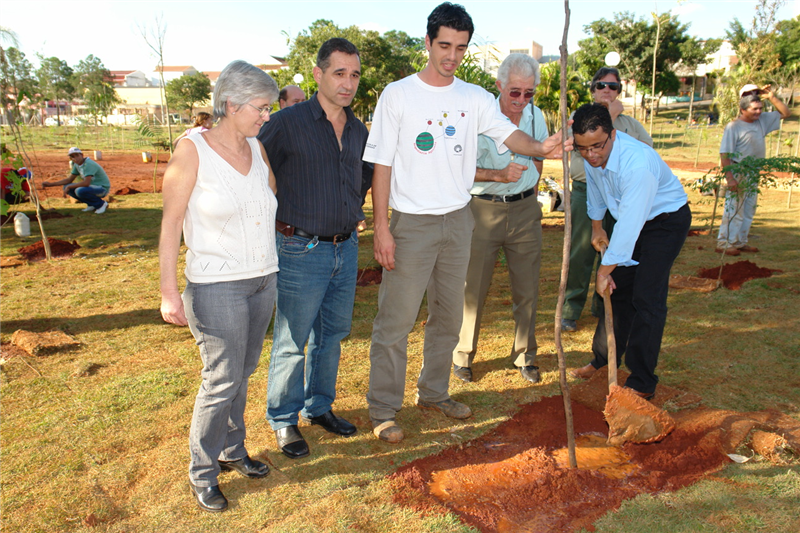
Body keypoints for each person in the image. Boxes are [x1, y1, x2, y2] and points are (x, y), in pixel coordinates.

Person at [363, 2, 568, 444]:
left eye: (460, 47)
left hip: (459, 220)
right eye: (444, 45)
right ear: (428, 42)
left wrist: (541, 147)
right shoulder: (397, 94)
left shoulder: (474, 97)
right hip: (412, 222)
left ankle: (434, 392)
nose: (451, 55)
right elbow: (381, 165)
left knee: (449, 317)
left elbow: (507, 135)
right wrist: (382, 226)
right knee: (395, 321)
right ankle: (383, 408)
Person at [159, 60, 279, 513]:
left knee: (243, 371)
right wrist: (169, 292)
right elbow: (171, 225)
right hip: (216, 286)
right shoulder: (193, 152)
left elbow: (265, 201)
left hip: (262, 278)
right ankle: (203, 472)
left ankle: (233, 449)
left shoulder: (257, 147)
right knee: (221, 377)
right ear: (230, 105)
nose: (266, 116)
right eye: (260, 108)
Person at [257, 38, 373, 459]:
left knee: (332, 336)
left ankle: (319, 407)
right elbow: (255, 164)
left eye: (354, 74)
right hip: (299, 248)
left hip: (346, 249)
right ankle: (284, 421)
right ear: (320, 74)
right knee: (292, 339)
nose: (348, 83)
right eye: (339, 73)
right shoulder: (288, 123)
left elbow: (362, 176)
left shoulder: (360, 129)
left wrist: (350, 206)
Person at [569, 103, 691, 400]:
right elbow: (596, 192)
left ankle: (641, 381)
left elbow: (631, 225)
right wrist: (597, 228)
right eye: (583, 149)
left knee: (646, 297)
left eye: (597, 146)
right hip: (630, 220)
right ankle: (602, 361)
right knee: (618, 291)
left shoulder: (637, 164)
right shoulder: (591, 153)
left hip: (663, 222)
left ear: (612, 135)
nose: (591, 154)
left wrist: (604, 269)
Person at [453, 53, 548, 385]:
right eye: (515, 93)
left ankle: (526, 355)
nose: (521, 101)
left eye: (529, 93)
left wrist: (528, 197)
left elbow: (539, 162)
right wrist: (499, 175)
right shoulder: (479, 117)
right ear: (499, 86)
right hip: (482, 210)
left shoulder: (537, 117)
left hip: (524, 211)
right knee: (473, 288)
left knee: (528, 289)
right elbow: (461, 168)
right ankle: (463, 355)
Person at [562, 67, 652, 333]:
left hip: (621, 197)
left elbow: (647, 153)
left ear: (619, 92)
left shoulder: (631, 125)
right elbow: (574, 149)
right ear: (593, 89)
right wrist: (608, 117)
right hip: (585, 191)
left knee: (615, 251)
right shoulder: (579, 119)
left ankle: (604, 306)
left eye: (613, 87)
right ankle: (570, 308)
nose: (607, 91)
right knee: (581, 252)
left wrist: (615, 119)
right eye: (601, 85)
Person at [716, 84, 790, 256]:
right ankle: (724, 242)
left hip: (753, 171)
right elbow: (724, 154)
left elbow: (786, 113)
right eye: (754, 109)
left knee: (749, 208)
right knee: (734, 208)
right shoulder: (733, 126)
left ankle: (740, 242)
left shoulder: (761, 121)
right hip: (738, 170)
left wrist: (772, 97)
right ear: (743, 108)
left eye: (760, 108)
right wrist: (730, 178)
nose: (758, 112)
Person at [42, 148, 111, 214]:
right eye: (72, 156)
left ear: (82, 155)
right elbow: (69, 180)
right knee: (67, 187)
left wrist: (69, 187)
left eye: (77, 155)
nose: (75, 158)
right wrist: (50, 184)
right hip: (92, 187)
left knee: (79, 191)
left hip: (102, 188)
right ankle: (91, 204)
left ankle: (101, 204)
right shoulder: (77, 165)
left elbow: (86, 183)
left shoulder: (89, 164)